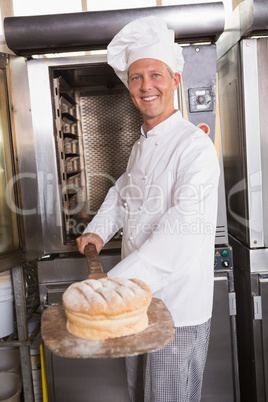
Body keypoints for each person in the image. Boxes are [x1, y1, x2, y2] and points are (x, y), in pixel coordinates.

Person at [76, 15, 220, 402]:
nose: (145, 86)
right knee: (141, 394)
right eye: (136, 78)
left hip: (175, 310)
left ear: (175, 80)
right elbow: (124, 194)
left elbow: (180, 232)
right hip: (138, 306)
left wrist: (114, 288)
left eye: (155, 75)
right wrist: (99, 230)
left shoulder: (194, 149)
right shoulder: (142, 144)